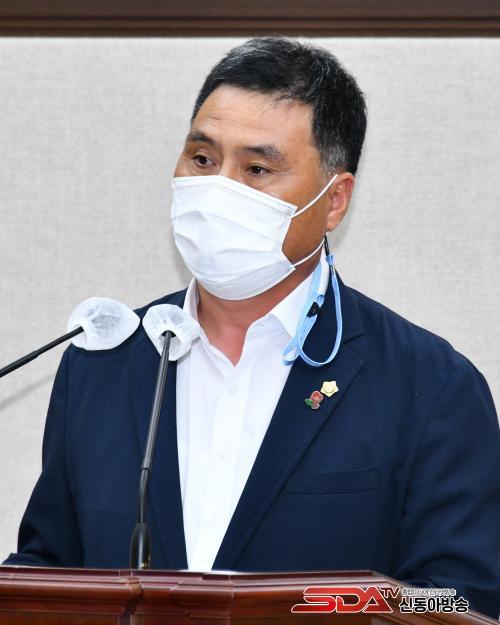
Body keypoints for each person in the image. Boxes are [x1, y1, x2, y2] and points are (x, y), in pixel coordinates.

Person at [4, 37, 500, 618]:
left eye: (257, 168)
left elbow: (461, 599)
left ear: (334, 201)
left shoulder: (431, 387)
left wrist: (333, 606)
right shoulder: (102, 361)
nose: (218, 190)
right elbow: (47, 572)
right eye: (202, 160)